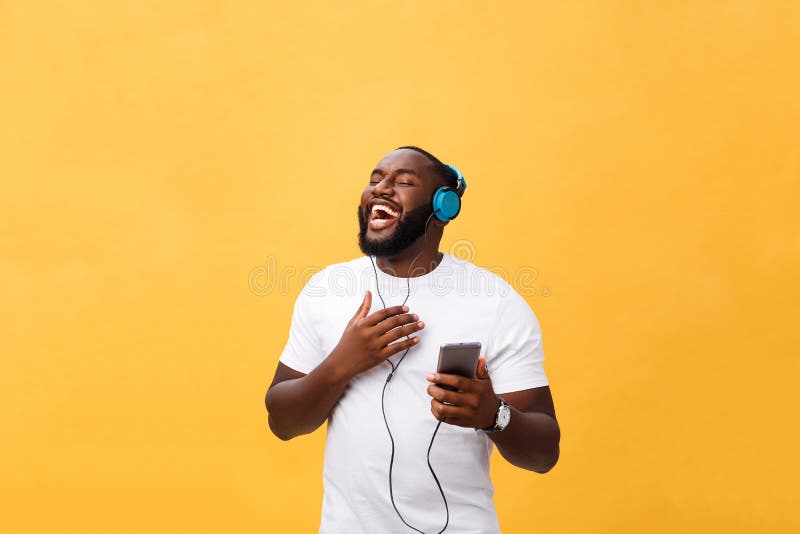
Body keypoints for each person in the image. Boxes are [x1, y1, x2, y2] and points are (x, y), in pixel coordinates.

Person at [265, 146, 560, 534]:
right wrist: (342, 364)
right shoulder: (326, 290)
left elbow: (544, 453)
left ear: (443, 209)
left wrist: (493, 415)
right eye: (375, 179)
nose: (381, 189)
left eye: (403, 182)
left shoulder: (497, 303)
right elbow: (282, 422)